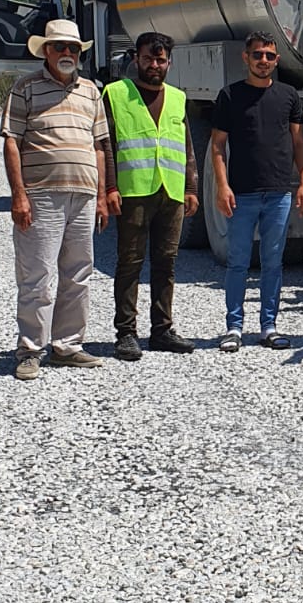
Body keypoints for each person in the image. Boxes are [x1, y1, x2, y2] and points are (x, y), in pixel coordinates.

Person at [0, 18, 111, 380]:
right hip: (41, 195)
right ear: (46, 51)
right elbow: (11, 142)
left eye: (73, 48)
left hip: (83, 195)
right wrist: (19, 195)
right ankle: (30, 350)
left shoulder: (91, 91)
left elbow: (98, 147)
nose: (67, 53)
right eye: (60, 46)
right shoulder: (25, 88)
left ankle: (67, 346)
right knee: (38, 275)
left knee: (79, 274)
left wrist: (101, 197)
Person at [211, 30, 303, 352]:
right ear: (246, 57)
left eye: (269, 55)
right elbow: (217, 147)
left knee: (273, 263)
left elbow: (298, 143)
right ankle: (234, 327)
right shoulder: (229, 96)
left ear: (276, 59)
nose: (264, 61)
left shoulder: (288, 96)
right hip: (242, 193)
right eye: (258, 55)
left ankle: (269, 326)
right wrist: (222, 186)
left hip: (279, 193)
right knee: (238, 262)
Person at [103, 32, 200, 361]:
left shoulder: (177, 97)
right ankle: (126, 333)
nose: (154, 65)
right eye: (148, 58)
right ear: (136, 59)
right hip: (133, 191)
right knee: (130, 263)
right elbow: (106, 146)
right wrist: (109, 188)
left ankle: (162, 329)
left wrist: (191, 188)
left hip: (170, 191)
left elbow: (186, 148)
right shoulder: (116, 94)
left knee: (166, 263)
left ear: (169, 63)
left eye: (161, 60)